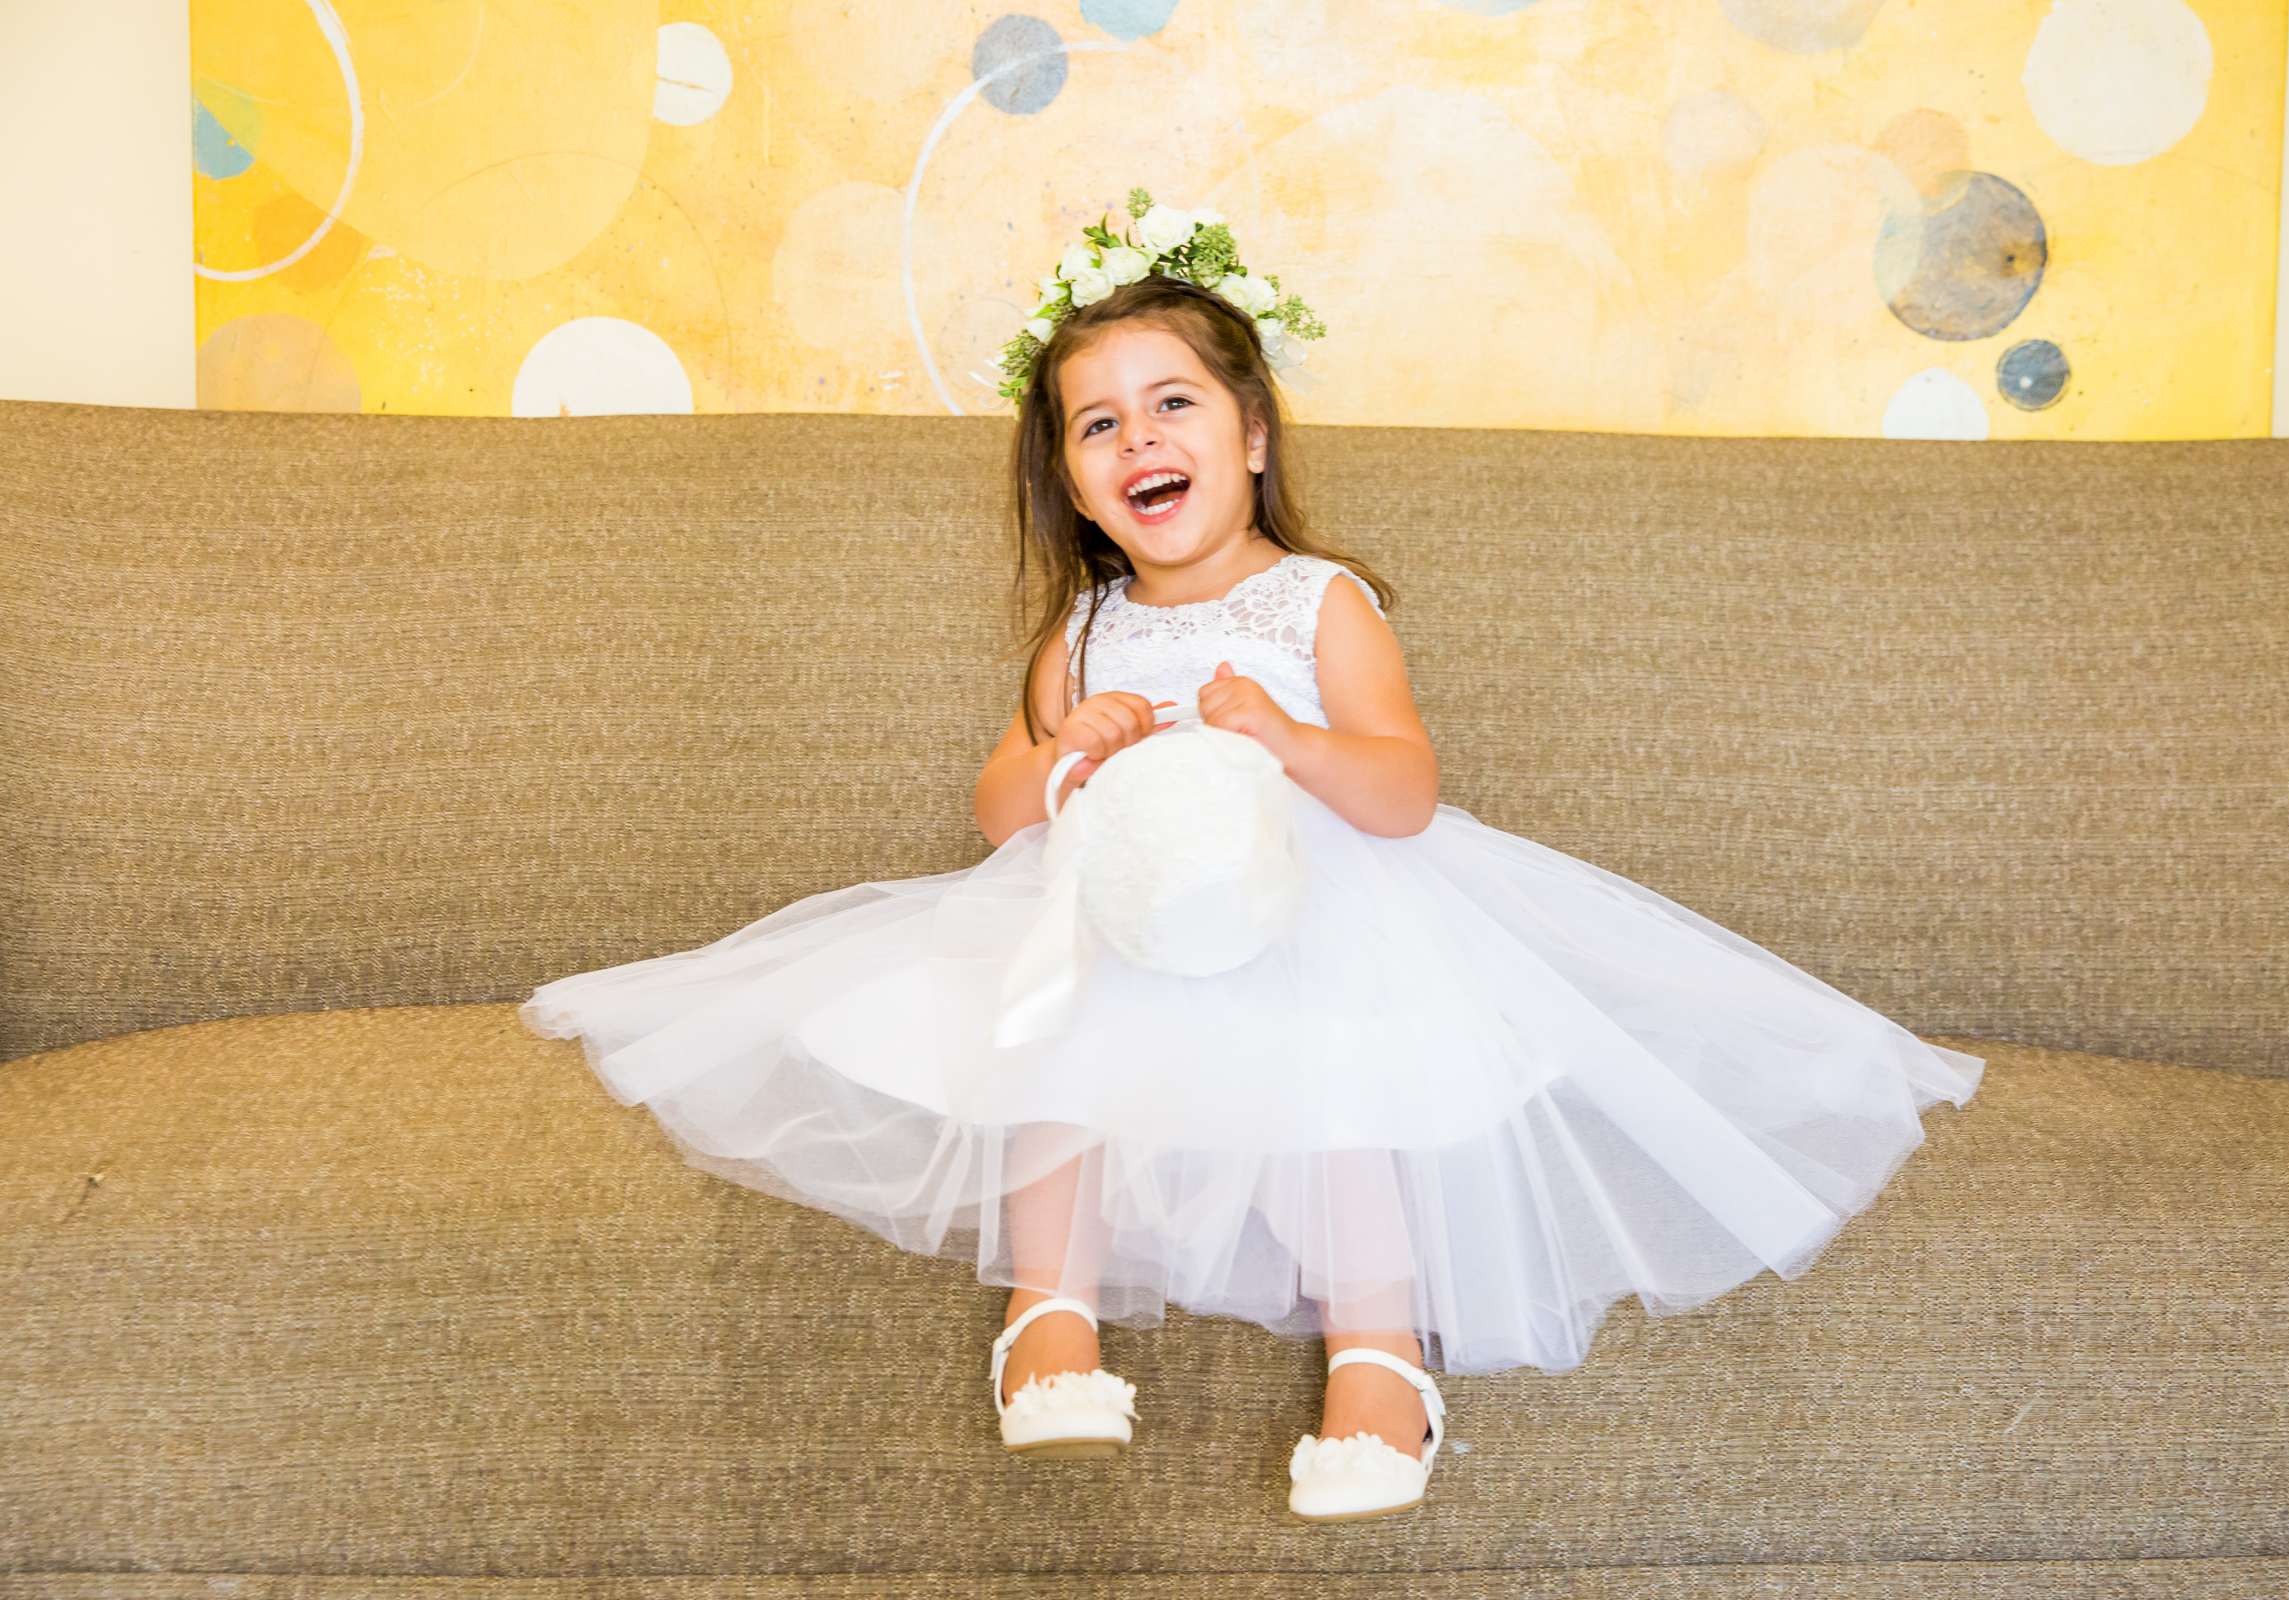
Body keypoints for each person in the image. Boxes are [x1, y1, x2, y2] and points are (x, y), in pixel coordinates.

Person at [519, 189, 1985, 1524]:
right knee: (1047, 1043)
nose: (1138, 439)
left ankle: (1380, 1352)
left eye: (1172, 406)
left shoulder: (1321, 604)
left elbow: (1404, 791)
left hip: (1321, 910)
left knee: (1335, 1071)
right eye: (1099, 427)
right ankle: (1049, 1324)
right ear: (1077, 489)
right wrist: (1060, 749)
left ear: (1253, 434)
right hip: (1112, 920)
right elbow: (998, 811)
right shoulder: (1082, 633)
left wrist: (1283, 738)